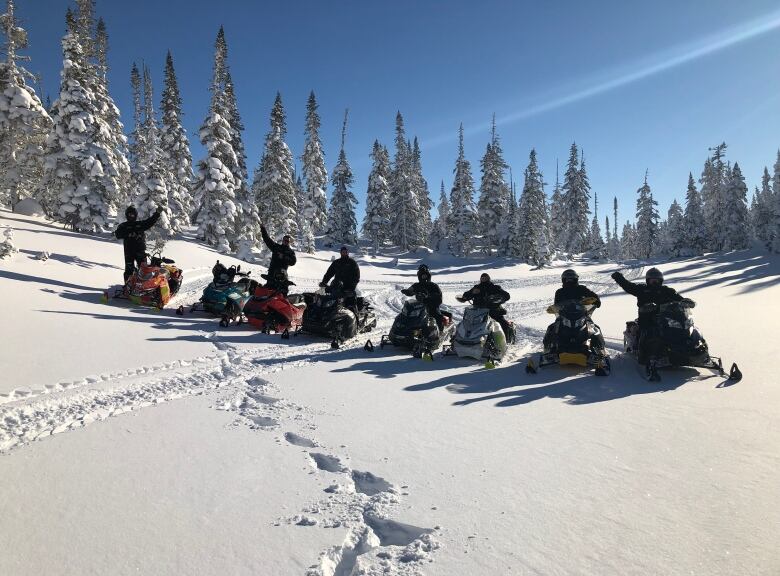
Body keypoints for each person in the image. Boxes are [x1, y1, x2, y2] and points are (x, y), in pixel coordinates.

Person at [611, 267, 690, 362]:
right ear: (648, 281)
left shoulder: (667, 290)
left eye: (657, 281)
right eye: (653, 281)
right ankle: (643, 355)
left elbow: (679, 299)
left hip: (666, 318)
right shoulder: (642, 289)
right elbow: (629, 286)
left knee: (684, 329)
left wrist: (686, 302)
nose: (655, 283)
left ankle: (694, 350)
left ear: (661, 281)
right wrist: (619, 278)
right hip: (647, 318)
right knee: (647, 331)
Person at [544, 269, 604, 353]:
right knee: (552, 328)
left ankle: (599, 349)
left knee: (594, 328)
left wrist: (596, 301)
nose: (569, 281)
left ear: (575, 279)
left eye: (571, 279)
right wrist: (554, 308)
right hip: (564, 315)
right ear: (564, 280)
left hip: (581, 314)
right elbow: (557, 304)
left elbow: (593, 296)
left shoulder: (582, 289)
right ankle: (548, 349)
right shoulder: (560, 292)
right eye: (567, 279)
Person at [456, 272, 514, 342]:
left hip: (492, 310)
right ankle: (458, 340)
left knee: (502, 323)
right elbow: (466, 295)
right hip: (478, 312)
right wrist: (471, 293)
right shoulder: (477, 288)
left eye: (485, 277)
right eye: (482, 278)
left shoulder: (494, 287)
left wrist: (496, 298)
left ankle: (506, 341)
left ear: (488, 278)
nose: (483, 279)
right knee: (465, 324)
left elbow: (507, 296)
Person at [115, 205, 162, 282]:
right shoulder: (123, 225)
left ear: (136, 215)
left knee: (144, 269)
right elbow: (117, 234)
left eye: (133, 214)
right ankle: (128, 287)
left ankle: (145, 286)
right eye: (130, 214)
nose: (131, 216)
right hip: (129, 251)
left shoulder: (140, 224)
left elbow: (150, 222)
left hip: (140, 250)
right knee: (129, 270)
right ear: (127, 215)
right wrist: (128, 234)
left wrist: (157, 213)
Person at [401, 264, 447, 329]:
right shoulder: (416, 285)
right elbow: (410, 290)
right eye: (422, 275)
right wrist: (407, 291)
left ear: (428, 275)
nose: (423, 277)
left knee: (437, 316)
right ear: (419, 276)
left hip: (431, 306)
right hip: (418, 306)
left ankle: (440, 332)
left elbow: (439, 297)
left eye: (425, 275)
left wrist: (429, 297)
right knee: (406, 315)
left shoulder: (433, 286)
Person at [260, 224, 296, 294]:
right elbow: (267, 239)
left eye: (287, 241)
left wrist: (284, 257)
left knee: (282, 294)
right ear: (282, 240)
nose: (286, 242)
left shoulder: (291, 252)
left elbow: (293, 262)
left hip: (283, 275)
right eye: (285, 240)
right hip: (272, 273)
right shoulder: (276, 247)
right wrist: (263, 229)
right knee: (267, 292)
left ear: (289, 242)